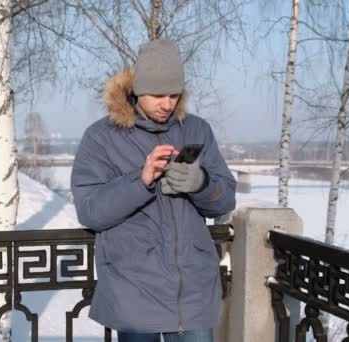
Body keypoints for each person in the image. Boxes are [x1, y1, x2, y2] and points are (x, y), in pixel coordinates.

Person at [71, 39, 236, 342]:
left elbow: (224, 200)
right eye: (158, 94)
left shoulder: (197, 130)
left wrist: (200, 184)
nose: (167, 103)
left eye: (174, 94)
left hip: (192, 289)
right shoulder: (101, 137)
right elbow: (90, 210)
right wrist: (141, 180)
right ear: (137, 91)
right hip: (133, 288)